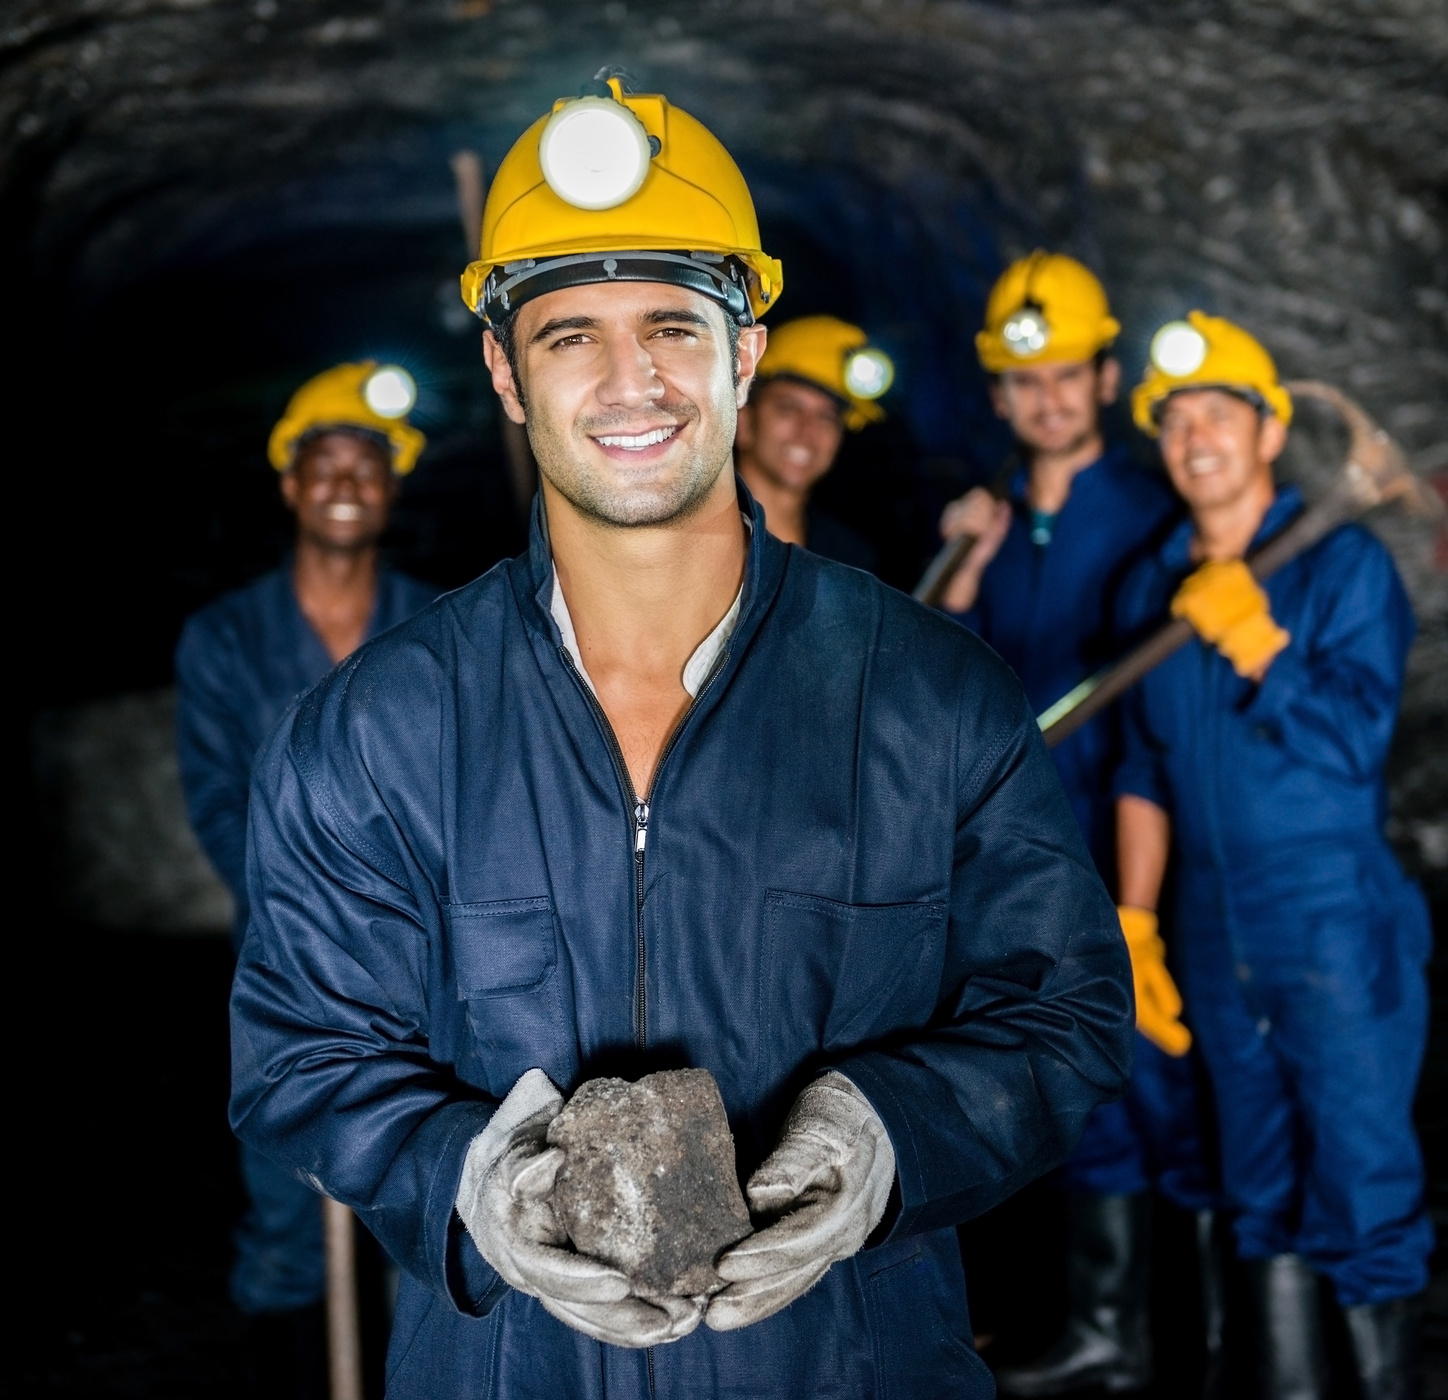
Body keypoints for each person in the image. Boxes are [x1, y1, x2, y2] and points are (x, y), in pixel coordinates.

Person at [228, 72, 1134, 1399]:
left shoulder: (932, 697)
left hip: (851, 1366)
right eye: (568, 336)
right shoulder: (379, 729)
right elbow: (301, 1050)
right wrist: (474, 1181)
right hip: (509, 1372)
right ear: (504, 370)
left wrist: (890, 1134)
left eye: (670, 323)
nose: (629, 381)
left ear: (747, 348)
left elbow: (1064, 1013)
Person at [1114, 313, 1431, 1400]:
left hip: (1326, 909)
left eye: (1217, 411)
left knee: (1360, 1177)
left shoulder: (1340, 564)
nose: (1192, 435)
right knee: (1255, 1185)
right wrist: (1136, 918)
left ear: (1266, 429)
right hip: (1205, 920)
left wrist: (1258, 642)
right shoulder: (1148, 581)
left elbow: (1354, 740)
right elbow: (1143, 770)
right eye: (1173, 418)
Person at [937, 255, 1213, 1398]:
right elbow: (936, 679)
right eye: (1022, 378)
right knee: (1073, 1065)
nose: (1047, 396)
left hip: (1134, 832)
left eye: (1067, 373)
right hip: (1020, 849)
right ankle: (1105, 1330)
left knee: (1168, 1077)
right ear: (997, 394)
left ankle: (1195, 1331)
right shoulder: (984, 522)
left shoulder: (1155, 518)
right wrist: (962, 564)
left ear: (1104, 378)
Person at [175, 360, 438, 1368]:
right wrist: (316, 918)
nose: (344, 481)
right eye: (323, 461)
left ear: (391, 489)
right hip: (284, 977)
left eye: (366, 465)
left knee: (419, 1201)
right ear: (290, 484)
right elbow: (215, 801)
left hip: (426, 976)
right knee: (289, 1214)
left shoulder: (438, 628)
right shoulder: (225, 638)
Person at [734, 314, 891, 570]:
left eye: (826, 418)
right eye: (788, 408)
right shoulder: (685, 537)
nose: (808, 431)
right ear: (743, 422)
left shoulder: (848, 562)